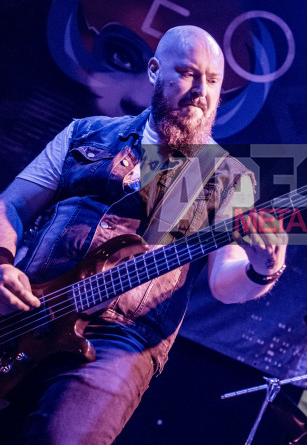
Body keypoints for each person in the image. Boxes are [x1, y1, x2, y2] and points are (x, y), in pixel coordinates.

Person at [0, 25, 287, 444]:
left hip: (122, 338)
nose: (200, 91)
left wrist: (262, 270)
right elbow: (12, 204)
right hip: (28, 305)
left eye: (212, 81)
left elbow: (226, 282)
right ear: (154, 70)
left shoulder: (224, 177)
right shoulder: (86, 133)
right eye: (188, 73)